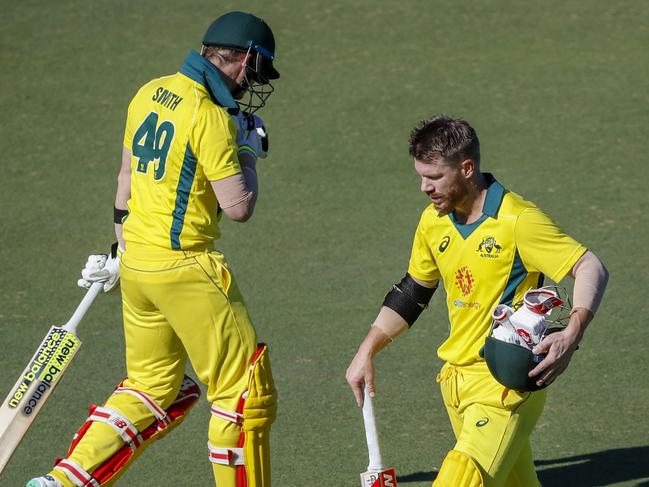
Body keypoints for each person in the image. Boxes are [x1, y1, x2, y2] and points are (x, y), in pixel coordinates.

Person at [28, 11, 280, 487]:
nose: (256, 81)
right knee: (243, 392)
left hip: (138, 265)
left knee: (154, 387)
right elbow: (239, 205)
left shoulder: (149, 92)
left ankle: (60, 483)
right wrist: (248, 149)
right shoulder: (210, 116)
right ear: (245, 59)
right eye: (258, 70)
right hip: (187, 269)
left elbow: (126, 178)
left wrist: (119, 244)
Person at [345, 116, 608, 487]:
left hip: (505, 384)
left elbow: (589, 266)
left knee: (461, 478)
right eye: (420, 176)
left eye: (434, 177)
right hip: (456, 384)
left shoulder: (517, 220)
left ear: (466, 168)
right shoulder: (433, 222)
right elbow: (414, 290)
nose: (424, 187)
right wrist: (367, 350)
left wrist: (573, 331)